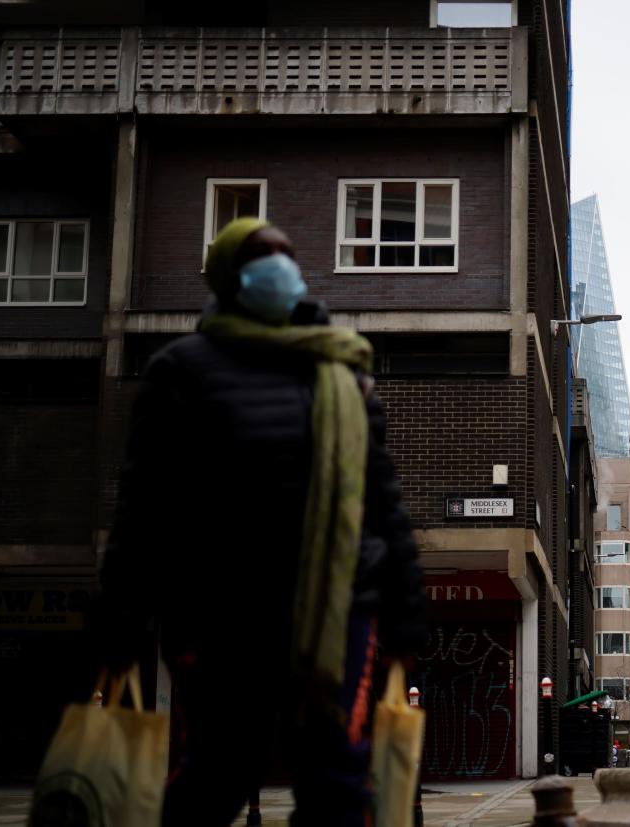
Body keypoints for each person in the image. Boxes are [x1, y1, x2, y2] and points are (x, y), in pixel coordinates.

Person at [96, 218, 427, 826]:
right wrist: (121, 623)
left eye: (286, 254)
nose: (280, 266)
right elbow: (143, 509)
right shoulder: (182, 370)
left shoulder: (342, 369)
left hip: (337, 609)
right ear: (229, 278)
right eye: (260, 257)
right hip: (223, 614)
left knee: (338, 782)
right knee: (220, 771)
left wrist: (406, 613)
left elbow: (383, 505)